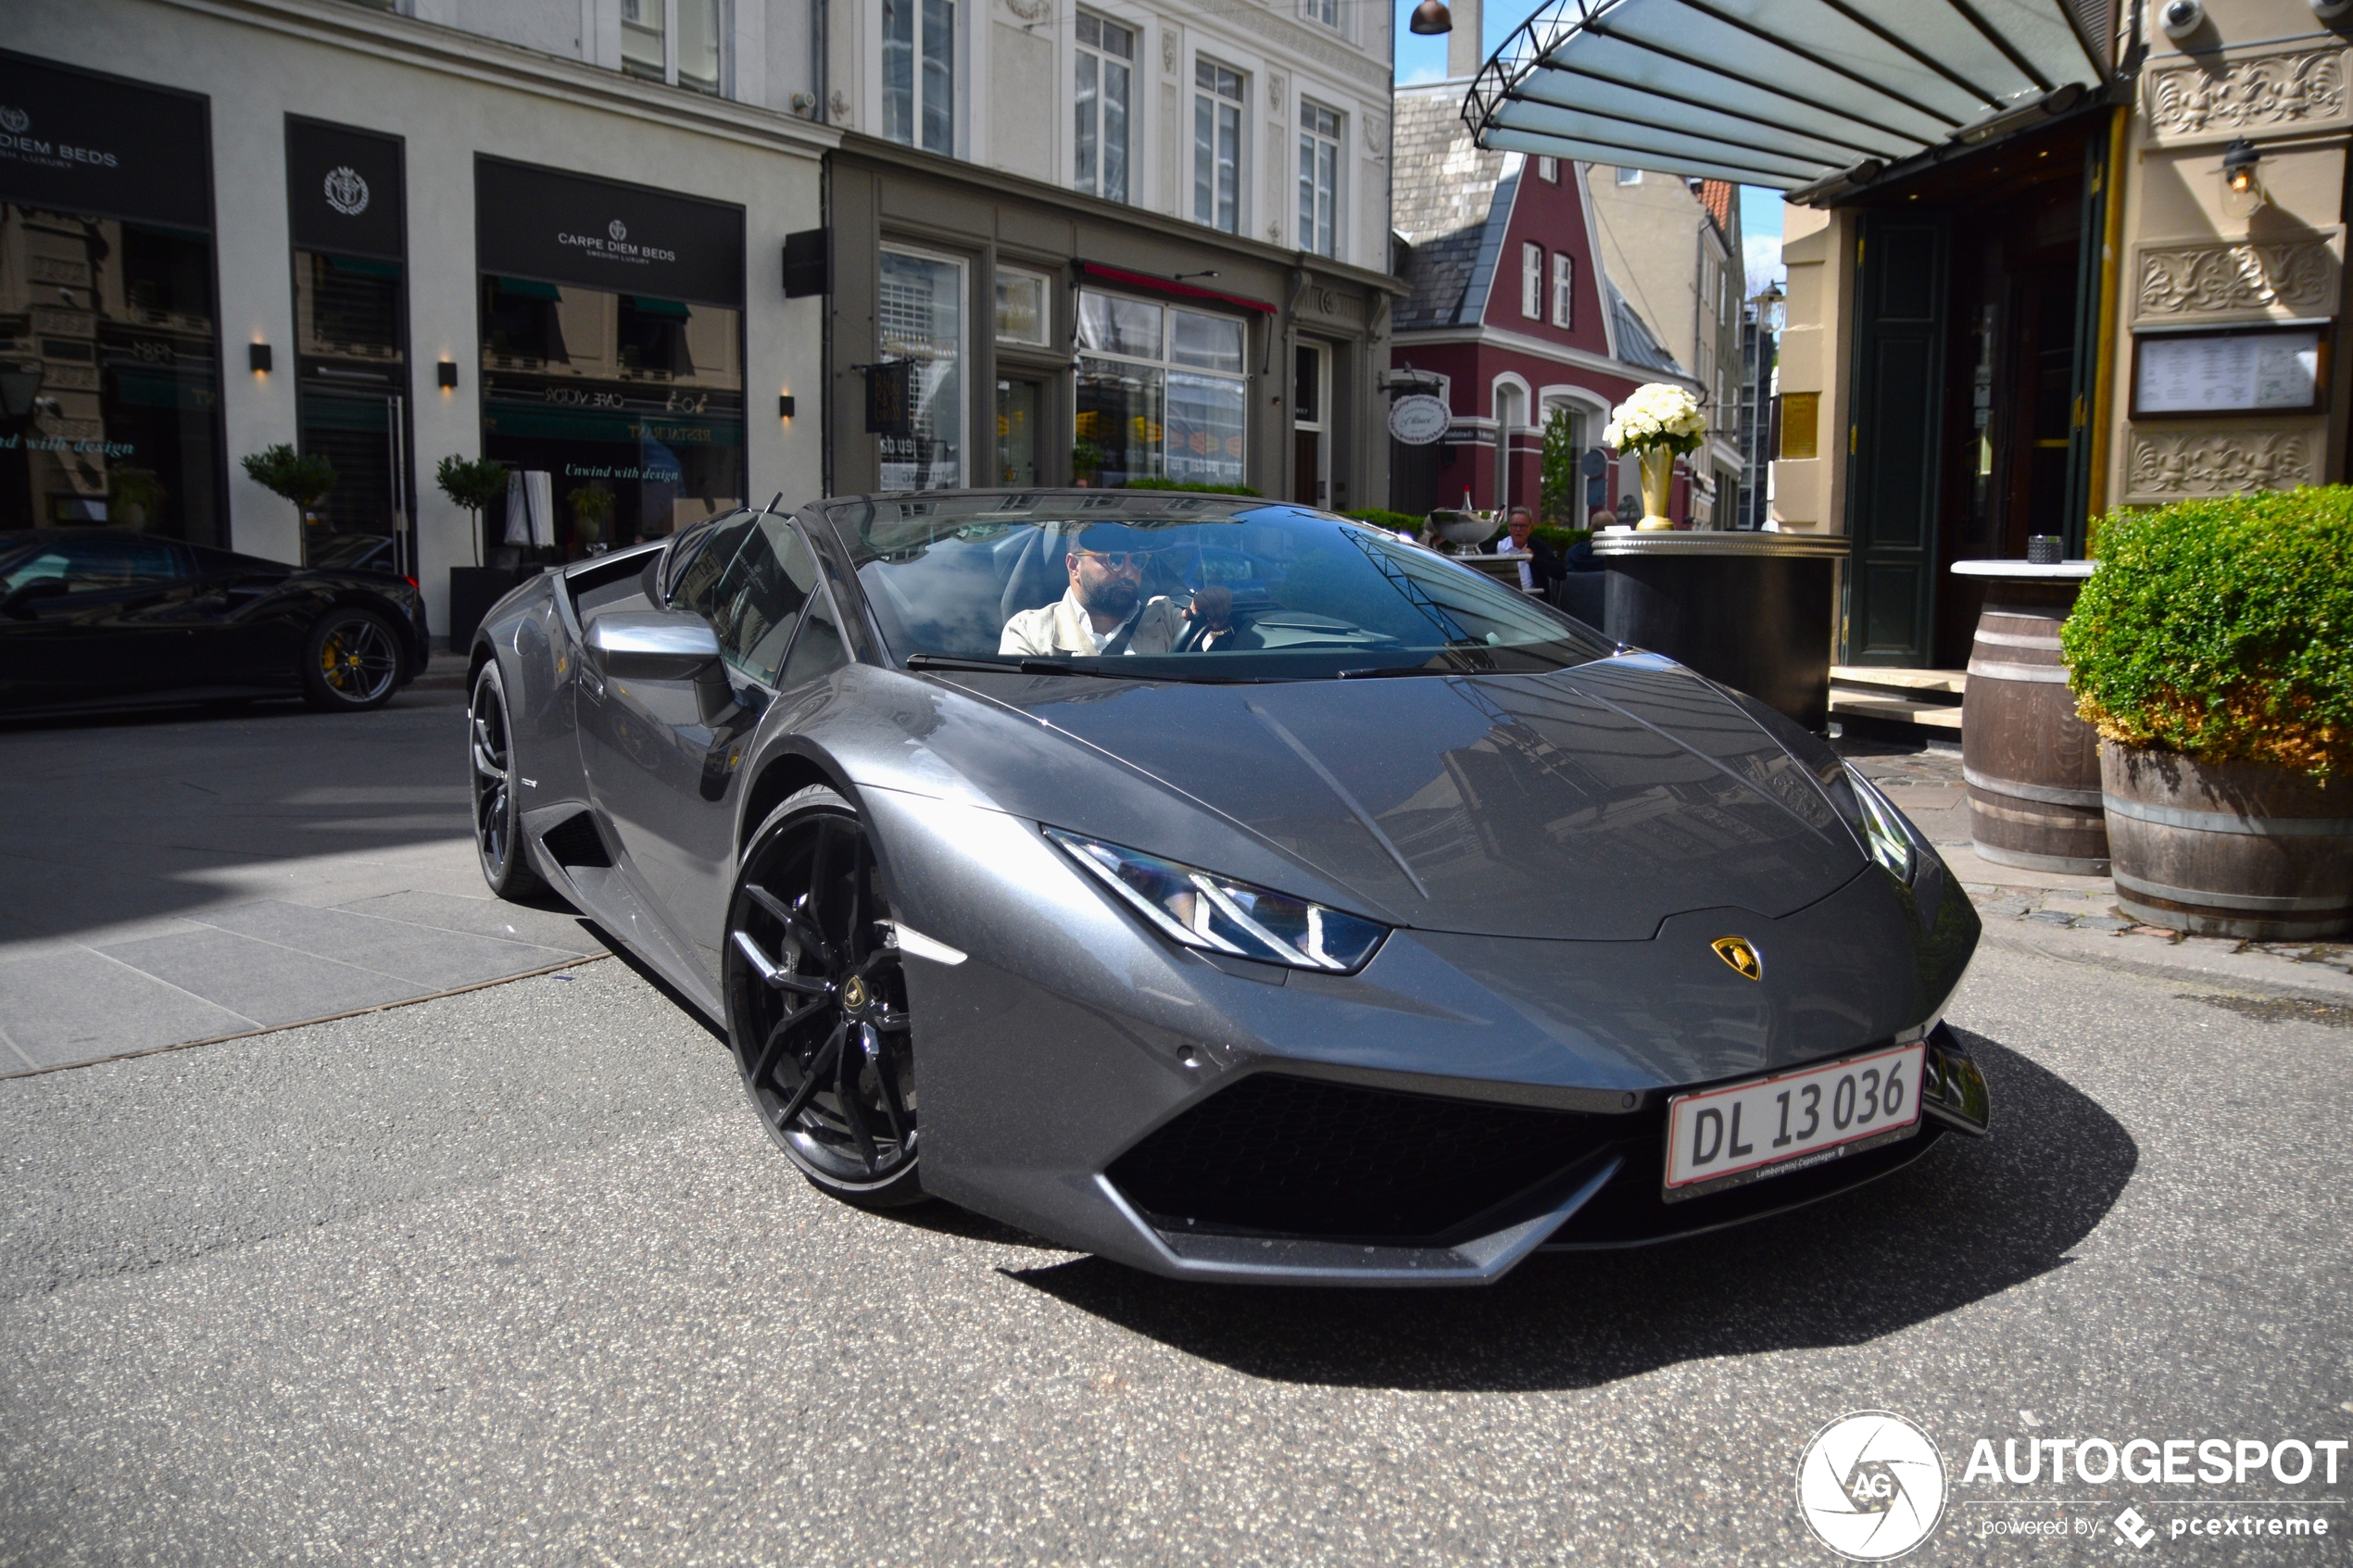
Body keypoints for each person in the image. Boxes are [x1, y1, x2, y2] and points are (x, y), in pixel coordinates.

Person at [1000, 522, 1192, 657]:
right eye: (1114, 559)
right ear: (1074, 565)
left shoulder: (1165, 618)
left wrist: (1218, 623)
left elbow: (1212, 649)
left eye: (1137, 560)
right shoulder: (1029, 632)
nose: (1128, 572)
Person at [1487, 507, 1564, 594]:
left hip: (1533, 598)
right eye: (1515, 525)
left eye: (1523, 526)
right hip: (1504, 597)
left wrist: (1534, 560)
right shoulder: (1499, 546)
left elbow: (1560, 573)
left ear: (1531, 528)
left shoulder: (1538, 546)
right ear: (1509, 527)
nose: (1518, 529)